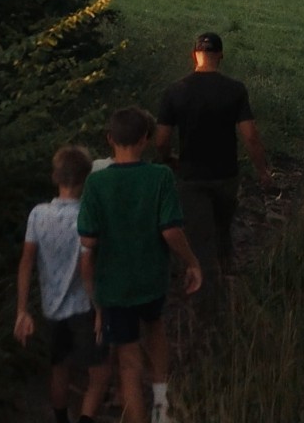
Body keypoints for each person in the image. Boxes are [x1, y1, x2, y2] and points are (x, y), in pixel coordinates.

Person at [80, 107, 203, 423]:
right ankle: (161, 404)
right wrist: (192, 262)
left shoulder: (96, 184)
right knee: (156, 328)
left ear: (109, 139)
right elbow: (171, 230)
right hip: (150, 279)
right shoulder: (160, 176)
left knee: (128, 362)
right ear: (146, 139)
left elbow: (88, 242)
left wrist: (92, 293)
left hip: (113, 285)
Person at [154, 32, 270, 301]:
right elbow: (250, 136)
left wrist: (168, 158)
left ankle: (207, 303)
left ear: (194, 54)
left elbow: (160, 139)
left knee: (199, 239)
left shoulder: (176, 91)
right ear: (220, 55)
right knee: (222, 226)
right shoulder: (235, 90)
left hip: (191, 176)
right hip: (226, 174)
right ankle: (227, 272)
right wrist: (263, 170)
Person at [14, 147, 110, 423]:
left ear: (55, 176)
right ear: (85, 179)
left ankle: (60, 419)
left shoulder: (38, 214)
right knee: (100, 373)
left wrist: (22, 310)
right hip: (83, 307)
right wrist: (99, 307)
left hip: (52, 308)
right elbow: (86, 268)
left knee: (60, 368)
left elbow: (26, 262)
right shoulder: (87, 215)